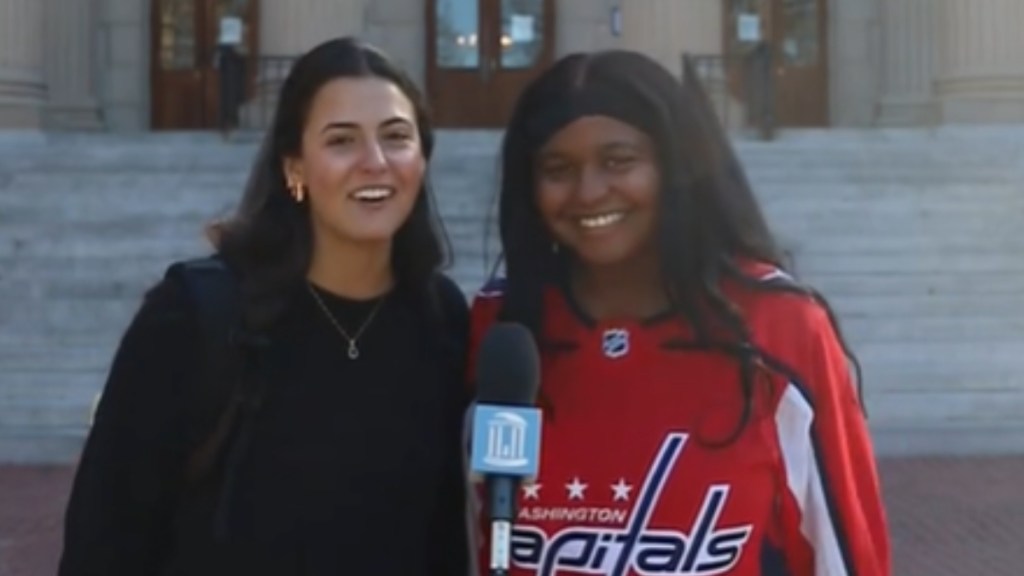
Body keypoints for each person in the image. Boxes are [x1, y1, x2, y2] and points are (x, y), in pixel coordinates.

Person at [466, 50, 892, 575]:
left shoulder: (779, 327)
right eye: (558, 169)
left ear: (673, 167)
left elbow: (846, 554)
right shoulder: (502, 328)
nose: (589, 191)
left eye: (618, 161)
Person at [59, 37, 470, 576]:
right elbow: (102, 543)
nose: (376, 163)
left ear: (422, 158)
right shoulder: (193, 317)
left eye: (396, 138)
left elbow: (439, 543)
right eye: (341, 141)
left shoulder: (439, 320)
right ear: (294, 168)